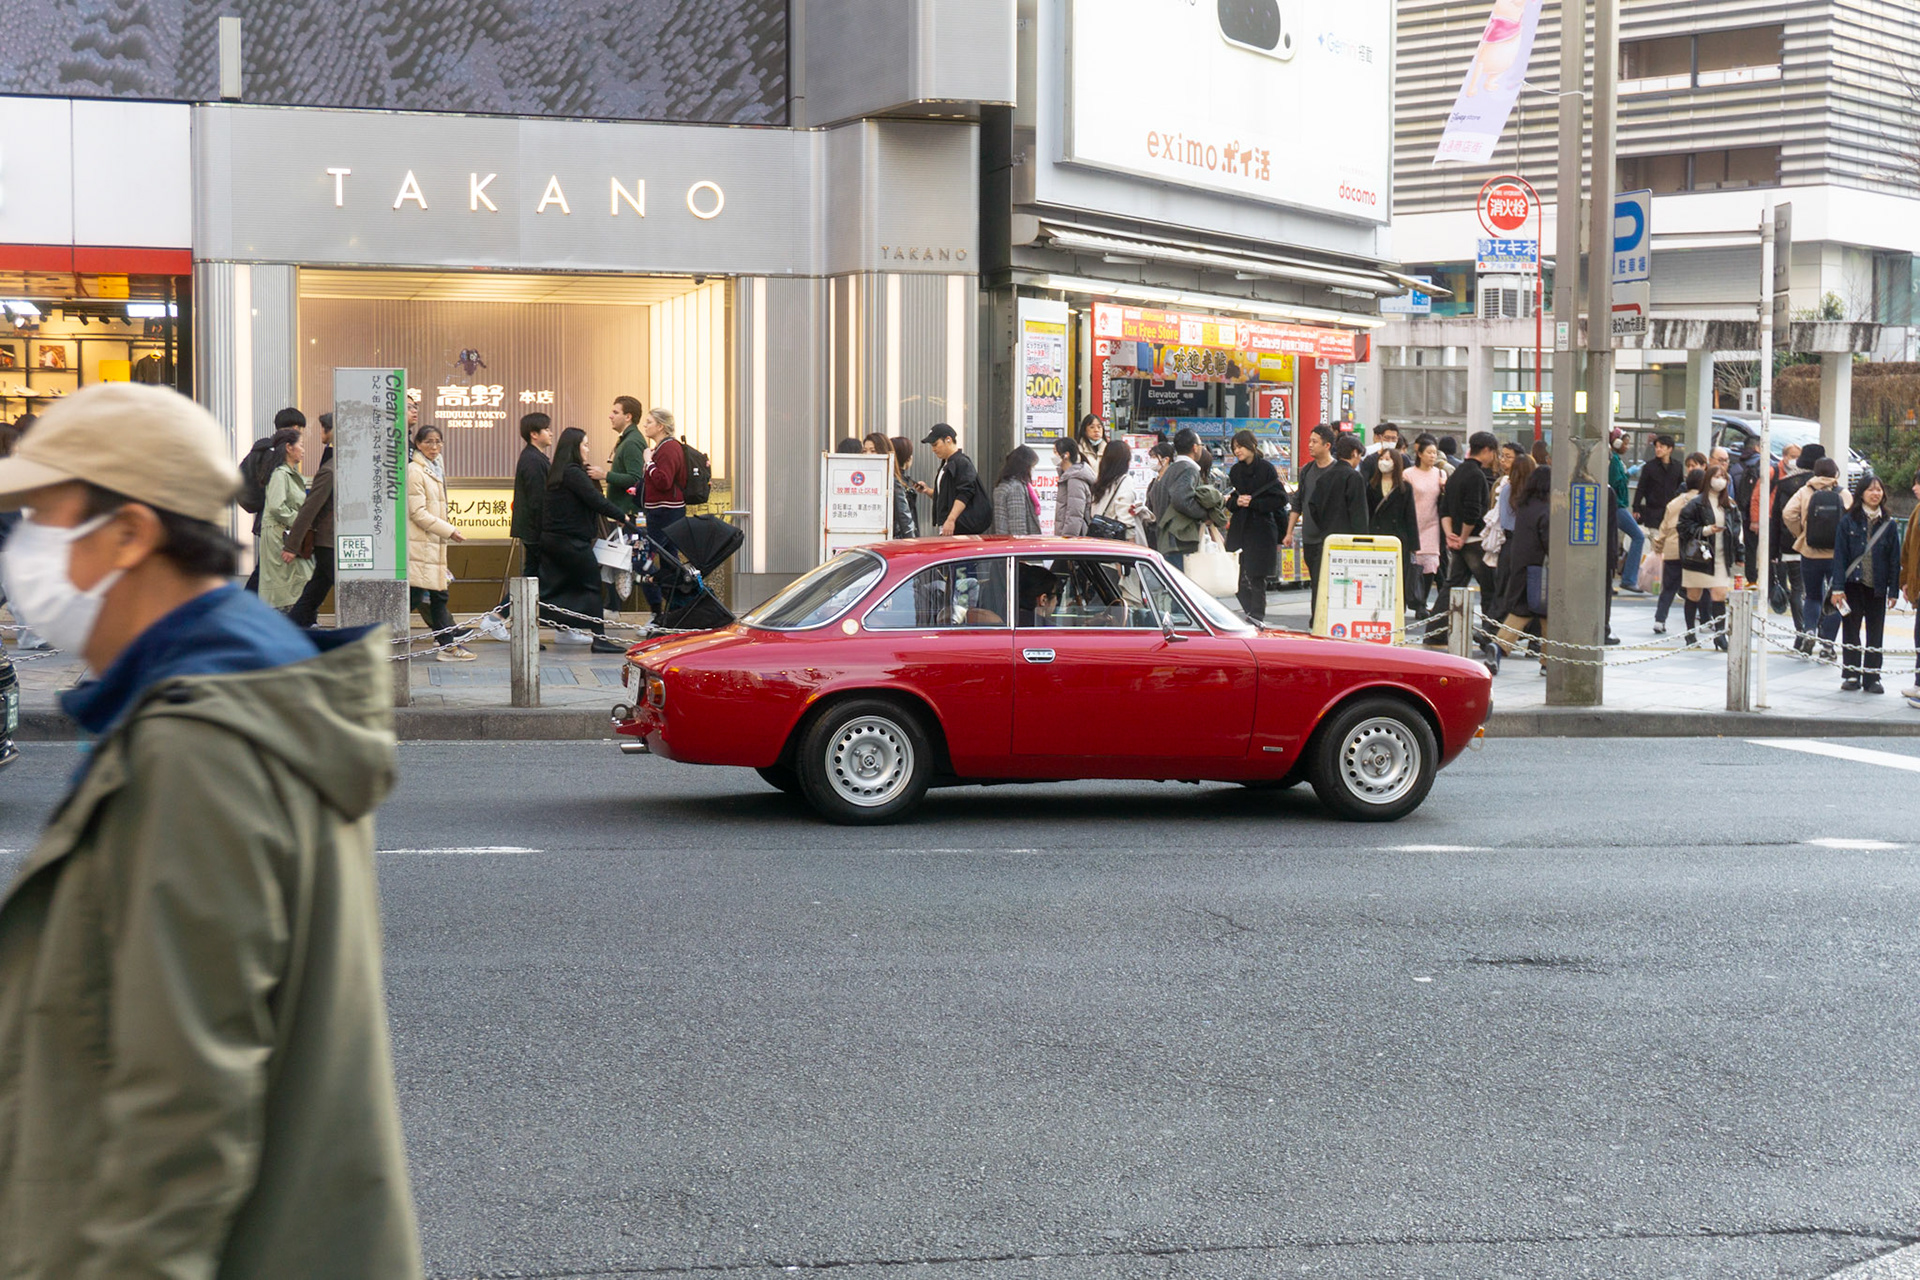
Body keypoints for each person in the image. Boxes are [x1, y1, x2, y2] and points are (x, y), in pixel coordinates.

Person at [0, 382, 424, 1278]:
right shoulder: (232, 691)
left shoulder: (199, 744)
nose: (22, 547)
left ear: (128, 534)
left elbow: (181, 1114)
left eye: (42, 518)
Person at [541, 426, 635, 654]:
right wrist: (621, 515)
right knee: (592, 585)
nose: (587, 449)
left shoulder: (558, 472)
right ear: (575, 448)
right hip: (572, 542)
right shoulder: (573, 473)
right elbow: (595, 499)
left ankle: (551, 630)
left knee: (553, 587)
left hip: (555, 540)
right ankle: (599, 638)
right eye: (584, 444)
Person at [405, 425, 475, 661]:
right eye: (428, 442)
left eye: (438, 442)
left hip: (432, 544)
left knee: (436, 596)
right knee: (419, 597)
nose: (434, 447)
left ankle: (447, 645)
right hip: (421, 545)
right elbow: (417, 512)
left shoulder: (434, 468)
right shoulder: (415, 471)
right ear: (418, 444)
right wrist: (449, 531)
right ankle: (447, 645)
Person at [1433, 431, 1500, 662]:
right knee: (1489, 587)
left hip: (1458, 540)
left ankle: (1436, 629)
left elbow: (1444, 508)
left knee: (1452, 585)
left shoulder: (1457, 472)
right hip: (1474, 541)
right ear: (1487, 450)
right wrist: (1462, 537)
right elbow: (1473, 512)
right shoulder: (1476, 475)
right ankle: (1490, 634)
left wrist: (1450, 535)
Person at [1829, 475, 1899, 693]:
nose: (1875, 494)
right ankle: (1851, 674)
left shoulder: (1889, 524)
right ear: (1861, 493)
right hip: (1852, 585)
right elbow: (1840, 556)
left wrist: (1893, 590)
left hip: (1877, 586)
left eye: (1879, 490)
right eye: (1870, 490)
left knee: (1875, 632)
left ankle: (1872, 677)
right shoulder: (1848, 521)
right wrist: (1838, 588)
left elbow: (1894, 560)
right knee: (1851, 630)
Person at [1782, 455, 1848, 660]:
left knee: (1812, 596)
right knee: (1836, 598)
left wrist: (1802, 533)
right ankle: (1828, 645)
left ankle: (1809, 630)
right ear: (1835, 473)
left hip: (1810, 553)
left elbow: (1788, 514)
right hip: (1837, 555)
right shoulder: (1842, 493)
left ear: (1815, 472)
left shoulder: (1805, 491)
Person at [493, 411, 553, 634]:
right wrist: (546, 530)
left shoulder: (535, 457)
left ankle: (514, 622)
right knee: (533, 578)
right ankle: (498, 616)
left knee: (533, 577)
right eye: (546, 429)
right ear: (534, 434)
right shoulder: (533, 460)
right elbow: (538, 500)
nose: (551, 433)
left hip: (534, 528)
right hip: (536, 530)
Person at [1491, 465, 1553, 673]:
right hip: (1539, 571)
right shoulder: (1546, 510)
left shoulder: (1525, 506)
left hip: (1520, 567)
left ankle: (1497, 647)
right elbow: (1549, 543)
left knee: (1523, 611)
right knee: (1547, 614)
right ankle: (1547, 663)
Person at [1677, 463, 1743, 651]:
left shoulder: (1730, 505)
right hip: (1699, 557)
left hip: (1721, 556)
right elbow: (1682, 526)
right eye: (1717, 476)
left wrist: (1740, 553)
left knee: (1720, 594)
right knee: (1694, 595)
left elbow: (1737, 531)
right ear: (1708, 479)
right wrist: (1705, 530)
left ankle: (1720, 635)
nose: (1720, 480)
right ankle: (1690, 633)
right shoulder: (1696, 503)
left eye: (1723, 477)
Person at [1225, 428, 1289, 624]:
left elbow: (1279, 499)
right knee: (1234, 574)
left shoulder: (1266, 469)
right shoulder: (1235, 471)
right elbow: (1231, 500)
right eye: (1234, 448)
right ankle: (1250, 611)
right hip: (1240, 528)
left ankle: (1257, 616)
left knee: (1257, 576)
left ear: (1251, 446)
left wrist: (1253, 503)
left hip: (1261, 528)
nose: (1237, 451)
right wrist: (1237, 502)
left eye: (1240, 447)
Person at [241, 406, 305, 594]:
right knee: (266, 570)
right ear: (295, 427)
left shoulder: (264, 450)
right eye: (300, 429)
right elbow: (277, 498)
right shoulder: (276, 455)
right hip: (275, 523)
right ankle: (245, 605)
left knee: (267, 569)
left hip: (268, 519)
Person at [284, 413, 337, 629]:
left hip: (330, 540)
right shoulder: (333, 468)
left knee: (317, 588)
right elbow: (309, 508)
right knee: (321, 587)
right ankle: (292, 626)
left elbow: (309, 508)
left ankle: (292, 626)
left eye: (322, 429)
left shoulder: (333, 468)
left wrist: (292, 545)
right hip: (328, 541)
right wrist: (292, 545)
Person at [637, 408, 686, 619]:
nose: (645, 425)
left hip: (665, 512)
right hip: (662, 511)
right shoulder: (663, 448)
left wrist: (648, 461)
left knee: (642, 559)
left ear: (660, 426)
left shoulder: (669, 448)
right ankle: (674, 611)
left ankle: (658, 612)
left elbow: (664, 481)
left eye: (649, 422)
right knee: (669, 562)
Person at [258, 425, 312, 611]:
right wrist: (300, 521)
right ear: (289, 447)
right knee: (287, 585)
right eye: (301, 445)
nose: (303, 450)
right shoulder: (280, 474)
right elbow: (276, 506)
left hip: (286, 533)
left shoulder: (290, 474)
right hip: (279, 535)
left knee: (299, 580)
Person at [1648, 468, 1705, 637]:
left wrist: (1658, 548)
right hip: (1696, 552)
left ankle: (1659, 620)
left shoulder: (1673, 503)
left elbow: (1663, 529)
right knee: (1699, 589)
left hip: (1673, 550)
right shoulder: (1704, 501)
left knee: (1669, 588)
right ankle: (1705, 620)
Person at [1366, 443, 1420, 619]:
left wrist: (1414, 546)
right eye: (1381, 458)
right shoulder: (1371, 486)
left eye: (1388, 459)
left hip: (1399, 540)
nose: (1384, 462)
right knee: (1376, 577)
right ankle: (1375, 610)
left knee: (1398, 577)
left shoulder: (1405, 488)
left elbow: (1410, 517)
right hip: (1376, 538)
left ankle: (1397, 611)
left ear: (1396, 463)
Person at [1154, 428, 1216, 570]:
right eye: (1200, 445)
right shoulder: (1188, 469)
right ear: (1195, 447)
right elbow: (1181, 499)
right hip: (1180, 540)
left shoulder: (1171, 469)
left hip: (1168, 540)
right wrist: (1204, 514)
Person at [918, 423, 990, 535]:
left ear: (948, 440)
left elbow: (965, 493)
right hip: (949, 526)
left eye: (935, 444)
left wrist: (951, 519)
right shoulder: (946, 464)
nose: (933, 449)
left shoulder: (961, 462)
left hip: (960, 528)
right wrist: (928, 491)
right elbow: (946, 497)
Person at [1404, 434, 1446, 617]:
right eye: (1429, 452)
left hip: (1432, 523)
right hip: (1413, 523)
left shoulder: (1441, 474)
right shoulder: (1408, 474)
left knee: (1430, 564)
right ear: (1419, 454)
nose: (1432, 456)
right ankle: (1413, 599)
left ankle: (1422, 602)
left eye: (1435, 452)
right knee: (1413, 564)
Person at [1607, 427, 1646, 593]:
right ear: (1616, 443)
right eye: (1625, 443)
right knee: (1638, 536)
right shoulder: (1614, 461)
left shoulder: (1615, 459)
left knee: (1610, 544)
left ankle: (1615, 581)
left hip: (1616, 505)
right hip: (1616, 506)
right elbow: (1615, 482)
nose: (1627, 447)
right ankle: (1629, 579)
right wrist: (1628, 474)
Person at [603, 395, 648, 519]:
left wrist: (604, 475)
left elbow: (635, 478)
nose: (610, 416)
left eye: (615, 412)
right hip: (625, 512)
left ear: (628, 417)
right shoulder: (628, 439)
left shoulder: (631, 442)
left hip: (628, 513)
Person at [1633, 434, 1685, 539]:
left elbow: (1680, 487)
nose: (1658, 449)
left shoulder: (1677, 467)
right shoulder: (1649, 467)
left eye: (1661, 447)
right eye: (1656, 447)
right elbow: (1641, 488)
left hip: (1671, 511)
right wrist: (1636, 507)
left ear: (1670, 449)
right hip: (1653, 511)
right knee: (1655, 539)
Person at [1088, 438, 1137, 536]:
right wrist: (1131, 539)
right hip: (1115, 539)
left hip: (1097, 536)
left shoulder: (1101, 481)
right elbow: (1126, 519)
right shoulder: (1125, 481)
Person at [991, 445, 1042, 535]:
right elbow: (1017, 524)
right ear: (1025, 466)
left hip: (1004, 537)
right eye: (1032, 466)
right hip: (1017, 541)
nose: (1032, 469)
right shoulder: (1016, 487)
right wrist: (1022, 541)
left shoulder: (1003, 484)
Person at [1052, 437, 1096, 537]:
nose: (1053, 456)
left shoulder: (1075, 479)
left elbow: (1074, 514)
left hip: (1072, 539)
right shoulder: (1069, 476)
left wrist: (1067, 539)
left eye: (1055, 452)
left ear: (1066, 455)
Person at [1902, 477, 1920, 701]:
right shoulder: (1917, 510)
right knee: (1919, 636)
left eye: (1918, 483)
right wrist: (1906, 580)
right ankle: (1918, 683)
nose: (1914, 488)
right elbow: (1907, 549)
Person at [889, 436, 920, 536]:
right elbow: (905, 517)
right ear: (908, 458)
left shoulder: (890, 478)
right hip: (901, 538)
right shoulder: (898, 482)